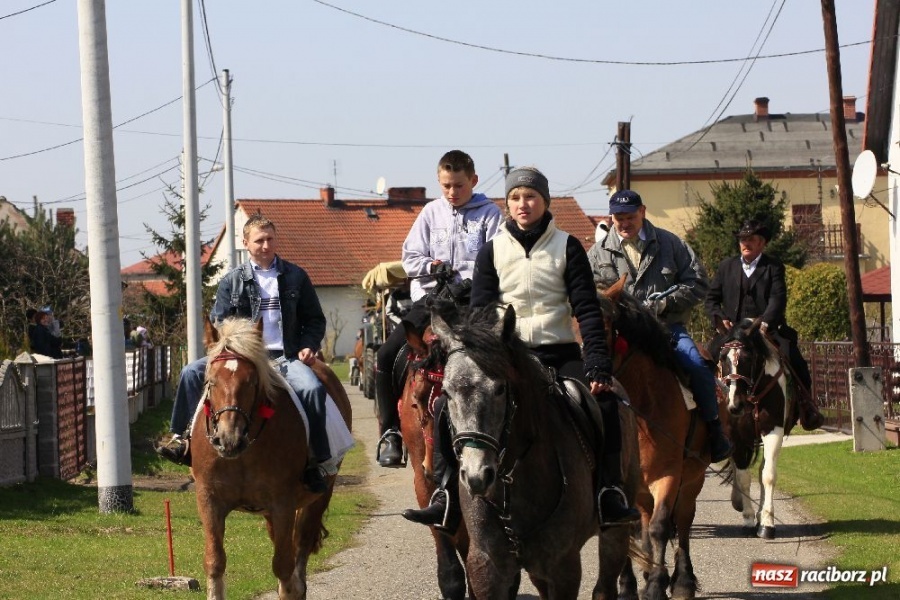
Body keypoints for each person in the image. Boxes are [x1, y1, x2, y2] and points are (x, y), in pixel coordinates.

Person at [403, 167, 640, 529]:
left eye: (530, 197)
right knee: (445, 406)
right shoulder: (491, 251)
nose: (522, 204)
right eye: (515, 197)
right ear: (507, 205)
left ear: (545, 201)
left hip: (558, 352)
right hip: (506, 356)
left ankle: (608, 492)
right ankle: (447, 496)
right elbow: (480, 313)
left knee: (605, 403)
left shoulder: (568, 246)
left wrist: (596, 364)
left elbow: (587, 309)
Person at [156, 214, 331, 492]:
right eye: (259, 240)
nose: (265, 245)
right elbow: (219, 319)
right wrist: (230, 346)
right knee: (190, 373)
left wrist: (308, 345)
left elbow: (315, 319)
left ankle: (318, 461)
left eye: (269, 239)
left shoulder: (296, 276)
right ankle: (181, 439)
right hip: (241, 357)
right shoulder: (231, 281)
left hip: (284, 355)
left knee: (313, 389)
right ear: (246, 243)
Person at [374, 150, 503, 467]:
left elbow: (499, 256)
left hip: (475, 304)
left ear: (472, 180)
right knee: (386, 354)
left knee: (510, 353)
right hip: (433, 300)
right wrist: (432, 265)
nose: (452, 192)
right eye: (446, 185)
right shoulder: (431, 214)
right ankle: (390, 431)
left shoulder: (490, 214)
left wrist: (473, 280)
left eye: (458, 185)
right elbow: (410, 257)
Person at [587, 189, 733, 463]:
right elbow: (585, 295)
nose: (625, 223)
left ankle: (714, 429)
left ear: (642, 211)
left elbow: (698, 282)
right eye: (619, 218)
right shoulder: (597, 254)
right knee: (586, 375)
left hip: (667, 330)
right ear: (612, 217)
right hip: (621, 335)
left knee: (696, 365)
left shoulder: (670, 243)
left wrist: (665, 304)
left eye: (630, 216)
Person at [704, 218, 825, 430]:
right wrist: (718, 317)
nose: (745, 244)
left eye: (751, 240)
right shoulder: (726, 266)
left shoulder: (773, 266)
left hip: (766, 330)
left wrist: (765, 323)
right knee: (705, 359)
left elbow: (778, 299)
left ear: (762, 243)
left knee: (797, 362)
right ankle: (704, 411)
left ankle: (807, 408)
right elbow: (711, 299)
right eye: (742, 240)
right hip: (733, 332)